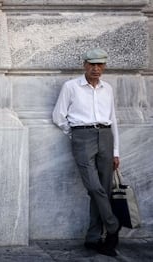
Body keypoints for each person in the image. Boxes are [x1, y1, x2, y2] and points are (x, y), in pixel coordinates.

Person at [52, 48, 121, 257]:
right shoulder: (71, 87)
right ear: (84, 65)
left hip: (106, 137)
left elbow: (113, 118)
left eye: (100, 65)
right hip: (82, 137)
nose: (96, 68)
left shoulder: (107, 88)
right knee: (94, 187)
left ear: (105, 67)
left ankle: (93, 239)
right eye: (92, 64)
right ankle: (113, 227)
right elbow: (58, 116)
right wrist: (76, 134)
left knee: (104, 189)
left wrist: (116, 150)